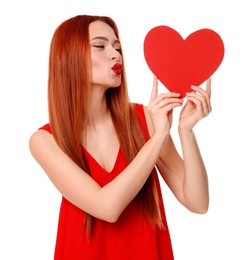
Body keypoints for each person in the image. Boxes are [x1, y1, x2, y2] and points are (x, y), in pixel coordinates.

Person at [29, 14, 211, 260]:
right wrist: (157, 138)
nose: (116, 55)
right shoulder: (45, 141)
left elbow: (197, 203)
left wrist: (185, 131)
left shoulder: (144, 120)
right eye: (100, 46)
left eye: (117, 47)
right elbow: (106, 208)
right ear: (69, 56)